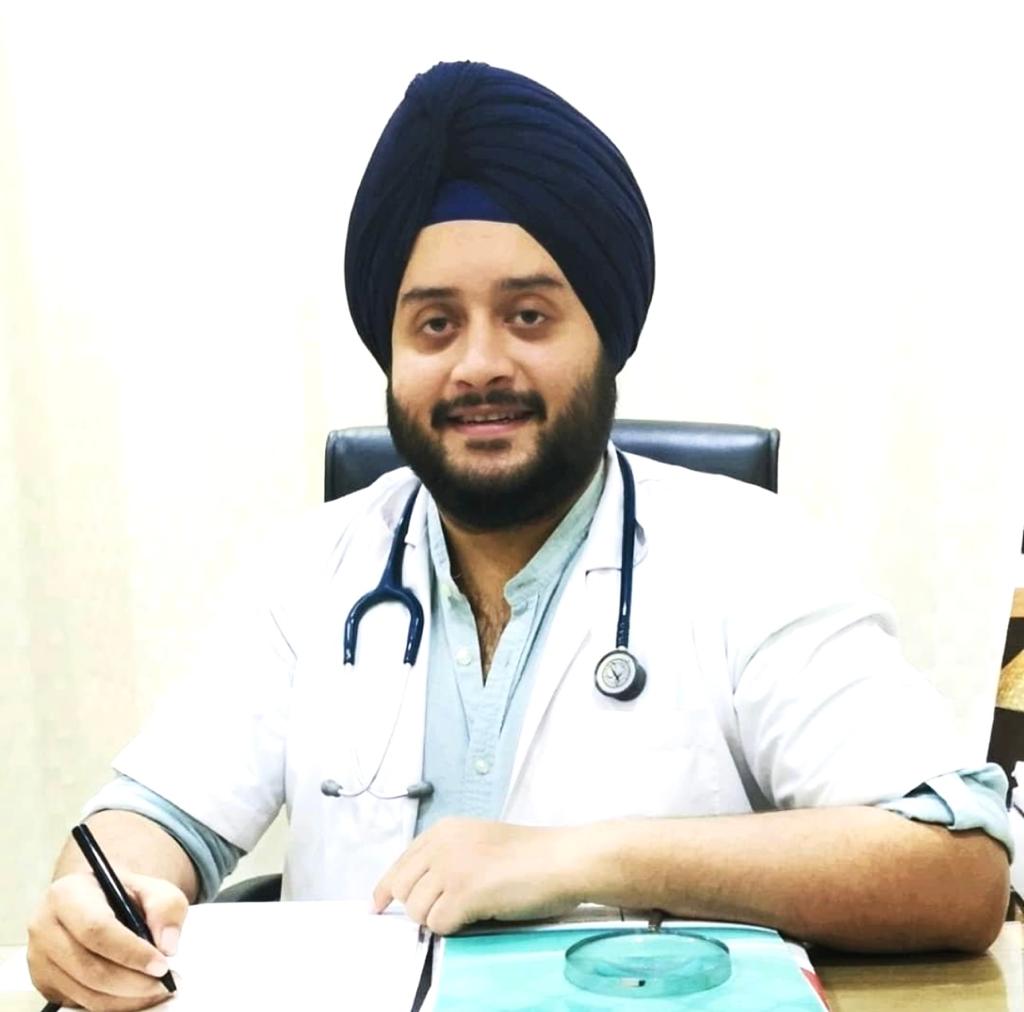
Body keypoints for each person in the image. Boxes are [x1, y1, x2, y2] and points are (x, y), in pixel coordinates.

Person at [28, 61, 1010, 1011]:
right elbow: (151, 820)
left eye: (528, 315)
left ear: (605, 336)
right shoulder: (309, 571)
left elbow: (957, 871)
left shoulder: (751, 555)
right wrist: (94, 904)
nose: (478, 365)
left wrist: (579, 858)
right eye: (434, 325)